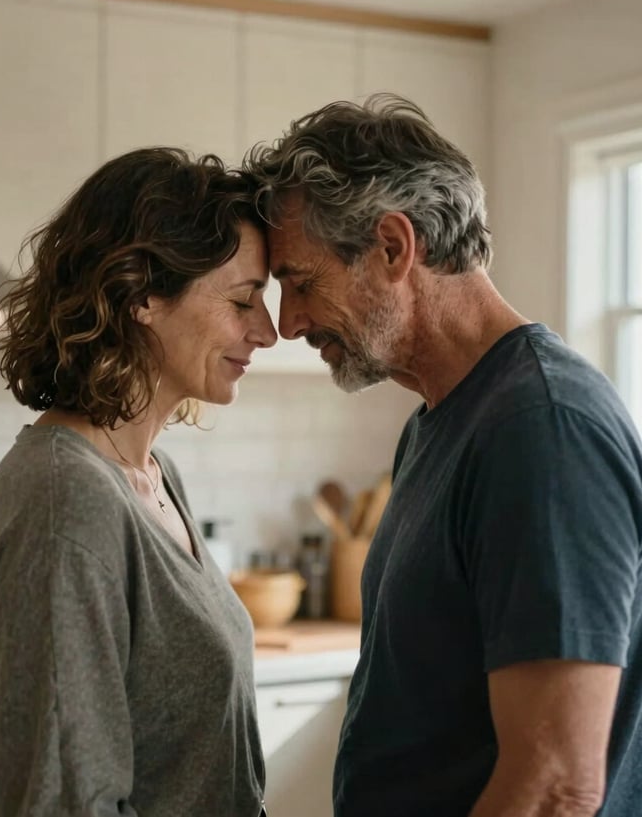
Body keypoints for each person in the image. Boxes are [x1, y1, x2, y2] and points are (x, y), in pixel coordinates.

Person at [245, 94, 642, 817]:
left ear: (395, 247)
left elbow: (555, 785)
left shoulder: (542, 429)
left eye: (301, 282)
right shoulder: (436, 425)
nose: (289, 320)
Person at [0, 147, 277, 817]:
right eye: (244, 300)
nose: (268, 330)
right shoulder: (68, 503)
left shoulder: (156, 478)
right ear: (142, 295)